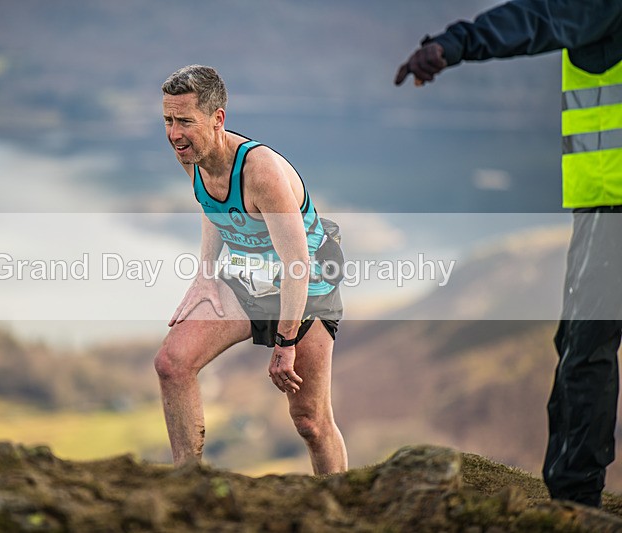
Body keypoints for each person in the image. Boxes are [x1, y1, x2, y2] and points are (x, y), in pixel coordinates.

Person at [395, 0, 622, 508]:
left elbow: (535, 19)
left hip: (613, 205)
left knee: (587, 350)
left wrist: (451, 45)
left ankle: (575, 500)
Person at [154, 65, 347, 474]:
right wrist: (206, 273)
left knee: (310, 423)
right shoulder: (193, 154)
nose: (174, 134)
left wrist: (285, 342)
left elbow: (298, 264)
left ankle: (342, 508)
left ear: (218, 118)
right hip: (249, 275)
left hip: (307, 284)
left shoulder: (262, 172)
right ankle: (188, 487)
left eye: (185, 121)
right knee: (172, 363)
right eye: (169, 120)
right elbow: (212, 208)